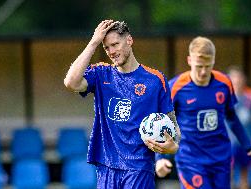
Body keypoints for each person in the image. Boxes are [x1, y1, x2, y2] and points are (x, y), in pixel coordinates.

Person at [64, 20, 180, 189]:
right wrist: (93, 42)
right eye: (106, 48)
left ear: (129, 40)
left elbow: (173, 126)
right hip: (107, 167)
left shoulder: (155, 79)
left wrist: (172, 146)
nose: (111, 51)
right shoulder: (101, 73)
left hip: (139, 168)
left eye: (115, 44)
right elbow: (71, 82)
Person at [155, 36, 251, 189]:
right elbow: (163, 123)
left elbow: (231, 117)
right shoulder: (176, 87)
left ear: (213, 62)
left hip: (220, 158)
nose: (203, 72)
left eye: (208, 66)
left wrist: (246, 144)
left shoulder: (224, 83)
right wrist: (160, 158)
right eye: (199, 66)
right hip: (190, 160)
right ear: (189, 61)